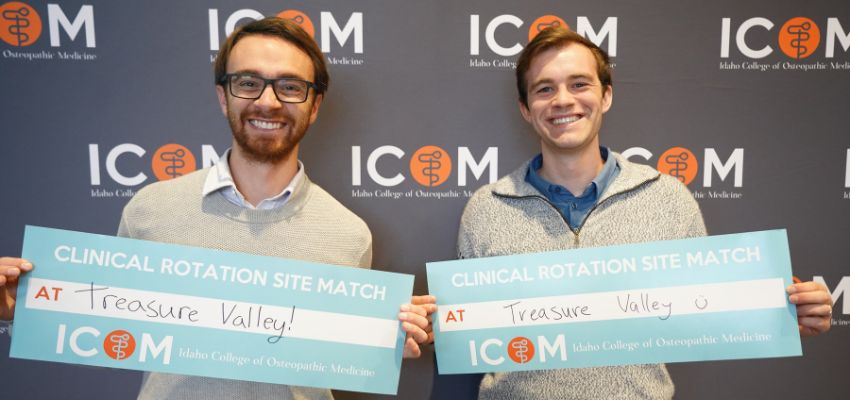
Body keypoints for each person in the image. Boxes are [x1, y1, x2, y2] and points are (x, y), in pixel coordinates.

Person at [0, 17, 435, 399]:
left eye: (290, 86)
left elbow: (345, 351)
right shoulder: (151, 209)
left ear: (314, 105)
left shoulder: (348, 234)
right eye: (248, 82)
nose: (268, 101)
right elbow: (99, 318)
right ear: (224, 96)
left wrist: (393, 334)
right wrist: (27, 306)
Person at [456, 26, 833, 399]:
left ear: (606, 96)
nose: (562, 100)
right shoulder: (487, 207)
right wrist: (422, 324)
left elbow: (709, 310)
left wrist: (783, 311)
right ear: (526, 108)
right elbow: (465, 328)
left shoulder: (667, 197)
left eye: (579, 84)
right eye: (544, 89)